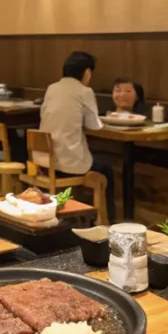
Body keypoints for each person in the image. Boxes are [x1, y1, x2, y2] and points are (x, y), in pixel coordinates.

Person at [39, 51, 115, 215]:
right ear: (87, 72)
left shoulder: (52, 88)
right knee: (107, 169)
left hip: (44, 162)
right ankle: (110, 219)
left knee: (94, 160)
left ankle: (80, 211)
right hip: (68, 164)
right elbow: (94, 125)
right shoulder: (84, 91)